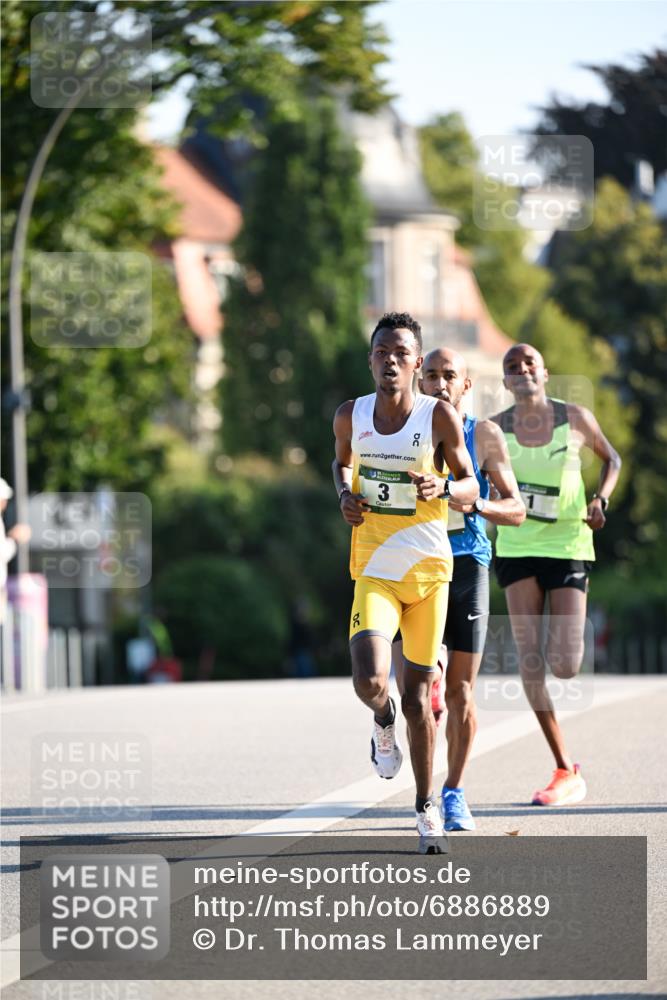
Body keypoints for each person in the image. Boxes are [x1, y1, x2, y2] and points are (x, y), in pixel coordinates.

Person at [332, 312, 478, 854]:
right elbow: (340, 466)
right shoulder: (352, 415)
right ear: (370, 360)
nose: (390, 361)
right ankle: (381, 719)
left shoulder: (438, 417)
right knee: (370, 679)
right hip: (373, 570)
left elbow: (467, 483)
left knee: (421, 699)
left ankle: (425, 808)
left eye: (401, 353)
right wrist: (344, 496)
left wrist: (442, 486)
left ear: (417, 362)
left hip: (430, 576)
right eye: (381, 352)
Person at [491, 344, 622, 806]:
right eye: (512, 366)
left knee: (564, 665)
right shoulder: (496, 429)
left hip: (567, 545)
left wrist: (599, 500)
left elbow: (613, 460)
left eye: (529, 363)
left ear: (544, 372)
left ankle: (567, 762)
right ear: (505, 381)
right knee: (530, 663)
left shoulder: (576, 418)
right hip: (516, 546)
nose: (521, 369)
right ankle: (565, 767)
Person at [414, 347, 525, 831]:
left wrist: (474, 505)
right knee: (413, 691)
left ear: (465, 386)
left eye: (449, 376)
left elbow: (516, 508)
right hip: (415, 567)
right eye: (432, 375)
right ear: (421, 382)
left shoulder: (485, 435)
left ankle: (453, 792)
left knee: (460, 692)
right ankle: (421, 790)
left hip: (466, 568)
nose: (440, 383)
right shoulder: (404, 431)